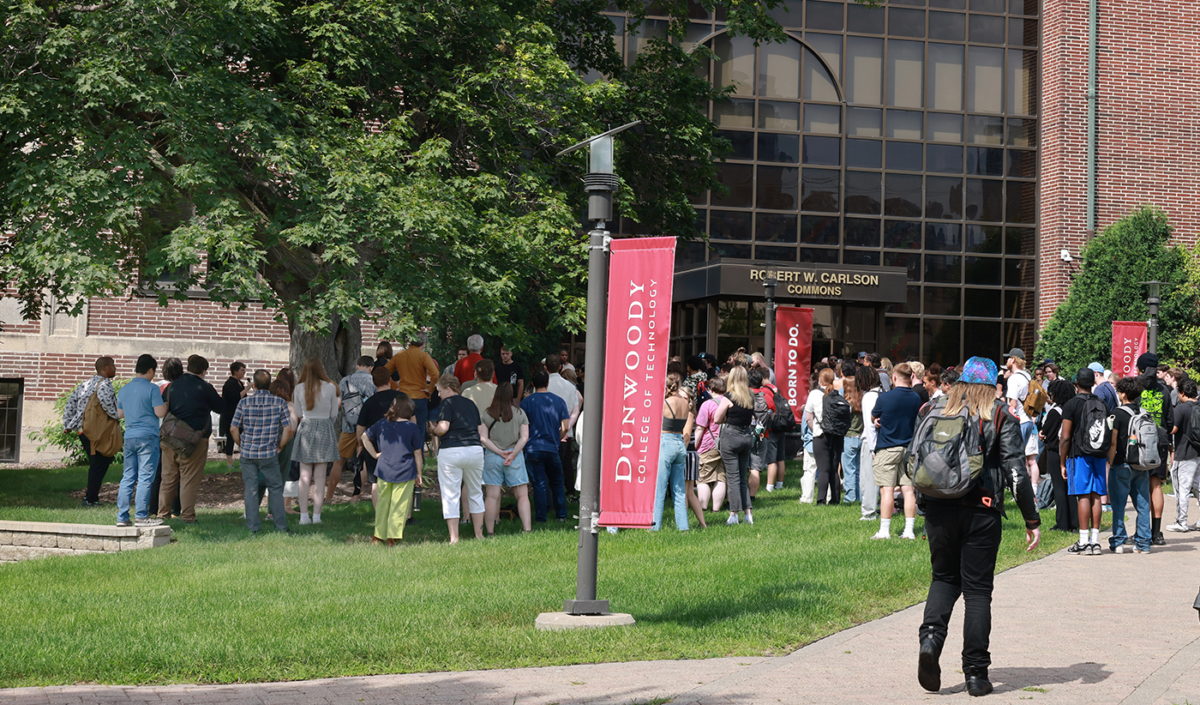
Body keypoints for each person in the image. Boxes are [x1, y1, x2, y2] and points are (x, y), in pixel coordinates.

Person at [915, 357, 1040, 698]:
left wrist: (924, 506)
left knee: (942, 578)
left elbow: (919, 460)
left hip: (938, 508)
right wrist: (1032, 519)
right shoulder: (999, 415)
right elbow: (1016, 471)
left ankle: (930, 639)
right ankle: (975, 673)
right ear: (991, 386)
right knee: (977, 591)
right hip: (981, 510)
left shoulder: (932, 409)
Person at [158, 355, 225, 523]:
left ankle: (162, 514)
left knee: (167, 478)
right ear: (204, 371)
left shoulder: (172, 386)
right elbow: (220, 407)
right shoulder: (205, 387)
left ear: (188, 367)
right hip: (194, 440)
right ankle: (187, 516)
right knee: (189, 479)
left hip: (169, 438)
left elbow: (164, 407)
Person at [230, 369, 293, 534]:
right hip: (269, 453)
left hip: (248, 453)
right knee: (276, 489)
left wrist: (241, 444)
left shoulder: (244, 403)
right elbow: (288, 429)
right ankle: (280, 527)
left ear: (255, 385)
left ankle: (253, 527)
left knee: (250, 489)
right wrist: (280, 445)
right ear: (270, 384)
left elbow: (233, 428)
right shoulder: (279, 403)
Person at [362, 394, 424, 546]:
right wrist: (419, 473)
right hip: (405, 470)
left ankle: (378, 536)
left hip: (384, 469)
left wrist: (375, 454)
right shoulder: (412, 427)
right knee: (399, 504)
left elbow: (364, 437)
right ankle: (393, 537)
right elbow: (417, 453)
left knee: (383, 503)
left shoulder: (383, 423)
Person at [431, 374, 486, 542]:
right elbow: (480, 428)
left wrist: (433, 430)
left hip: (452, 451)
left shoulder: (446, 404)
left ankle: (454, 538)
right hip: (474, 450)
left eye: (439, 391)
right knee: (475, 492)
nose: (438, 395)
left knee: (451, 493)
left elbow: (443, 427)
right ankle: (479, 535)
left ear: (448, 388)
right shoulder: (470, 404)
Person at [871, 362, 923, 540]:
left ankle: (884, 531)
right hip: (909, 448)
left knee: (887, 490)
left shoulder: (885, 397)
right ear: (911, 378)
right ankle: (909, 531)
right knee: (908, 490)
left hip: (887, 447)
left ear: (894, 377)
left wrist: (878, 421)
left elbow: (874, 416)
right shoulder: (916, 398)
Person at [1058, 367, 1107, 555]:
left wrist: (1062, 462)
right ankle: (1095, 542)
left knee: (1083, 495)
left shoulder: (1071, 405)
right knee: (1096, 495)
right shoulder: (1101, 402)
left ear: (1076, 383)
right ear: (1093, 383)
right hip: (1099, 454)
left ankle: (1083, 540)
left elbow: (1065, 437)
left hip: (1080, 454)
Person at [115, 355, 167, 527]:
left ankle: (122, 517)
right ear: (151, 370)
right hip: (148, 437)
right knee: (145, 477)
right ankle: (141, 516)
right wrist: (166, 404)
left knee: (128, 476)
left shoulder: (124, 389)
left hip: (129, 436)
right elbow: (160, 413)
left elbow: (120, 414)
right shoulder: (152, 389)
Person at [62, 356, 120, 507]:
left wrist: (68, 424)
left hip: (83, 430)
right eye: (113, 365)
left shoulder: (86, 384)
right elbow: (106, 402)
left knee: (99, 462)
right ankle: (90, 498)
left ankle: (91, 497)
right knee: (100, 462)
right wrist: (117, 416)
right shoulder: (105, 384)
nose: (115, 368)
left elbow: (70, 403)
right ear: (105, 368)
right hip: (96, 431)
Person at [292, 357, 341, 525]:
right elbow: (334, 413)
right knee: (320, 477)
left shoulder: (299, 388)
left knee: (304, 476)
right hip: (325, 428)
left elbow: (298, 412)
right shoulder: (331, 387)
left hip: (306, 427)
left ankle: (304, 516)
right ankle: (317, 516)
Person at [1106, 377, 1152, 553]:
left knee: (1118, 505)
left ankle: (1118, 541)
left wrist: (1110, 461)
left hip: (1121, 463)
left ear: (1123, 393)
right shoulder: (1144, 412)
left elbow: (1113, 442)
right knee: (1142, 504)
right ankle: (1143, 544)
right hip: (1141, 464)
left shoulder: (1117, 414)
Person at [480, 382, 531, 534]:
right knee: (522, 496)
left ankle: (489, 531)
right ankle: (527, 529)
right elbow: (524, 437)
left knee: (492, 496)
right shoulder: (520, 413)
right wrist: (513, 453)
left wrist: (499, 452)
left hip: (492, 456)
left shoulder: (487, 414)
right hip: (514, 456)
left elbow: (483, 438)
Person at [520, 369, 570, 523]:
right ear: (548, 383)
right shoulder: (559, 401)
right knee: (557, 482)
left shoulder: (527, 402)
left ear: (533, 384)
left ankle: (541, 516)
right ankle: (561, 515)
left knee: (539, 484)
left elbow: (521, 426)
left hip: (533, 448)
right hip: (551, 447)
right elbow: (566, 426)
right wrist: (557, 438)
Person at [1135, 353, 1173, 546]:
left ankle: (1141, 531)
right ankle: (1157, 532)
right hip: (1160, 441)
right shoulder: (1164, 390)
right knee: (1156, 485)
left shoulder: (1135, 387)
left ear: (1140, 369)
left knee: (1140, 485)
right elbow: (1170, 420)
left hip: (1140, 441)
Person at [712, 366, 756, 525]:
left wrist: (727, 419)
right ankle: (748, 514)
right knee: (742, 477)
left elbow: (717, 418)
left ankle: (733, 514)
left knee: (733, 477)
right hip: (746, 437)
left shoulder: (728, 397)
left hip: (731, 437)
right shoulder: (750, 395)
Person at [330, 356, 376, 502]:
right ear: (371, 368)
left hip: (348, 427)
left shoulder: (345, 381)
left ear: (357, 366)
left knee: (339, 461)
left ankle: (329, 496)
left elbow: (338, 405)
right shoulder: (372, 381)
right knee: (363, 462)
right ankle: (356, 496)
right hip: (367, 428)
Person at [652, 373, 695, 532]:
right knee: (679, 490)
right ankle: (683, 527)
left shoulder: (664, 403)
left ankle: (654, 526)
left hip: (665, 442)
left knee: (660, 489)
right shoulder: (685, 403)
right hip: (679, 444)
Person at [355, 367, 403, 508]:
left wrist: (360, 445)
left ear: (374, 383)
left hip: (375, 446)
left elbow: (360, 429)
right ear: (389, 379)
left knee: (375, 482)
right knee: (401, 480)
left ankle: (379, 515)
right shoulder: (401, 398)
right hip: (400, 443)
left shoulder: (369, 402)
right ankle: (404, 515)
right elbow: (413, 420)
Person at [1041, 379, 1079, 532]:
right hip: (1071, 453)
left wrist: (1042, 435)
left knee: (1059, 488)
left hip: (1055, 453)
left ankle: (1062, 523)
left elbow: (1047, 433)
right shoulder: (1072, 410)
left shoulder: (1055, 412)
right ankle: (1074, 522)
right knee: (1070, 488)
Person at [149, 357, 183, 518]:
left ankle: (153, 509)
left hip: (157, 431)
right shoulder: (181, 388)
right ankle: (175, 509)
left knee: (157, 473)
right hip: (176, 434)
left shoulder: (155, 387)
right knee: (177, 472)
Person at [386, 335, 440, 436]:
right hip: (420, 396)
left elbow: (385, 371)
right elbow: (435, 374)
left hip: (403, 396)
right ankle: (418, 451)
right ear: (423, 344)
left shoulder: (400, 355)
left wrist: (394, 387)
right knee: (419, 430)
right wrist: (430, 389)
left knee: (402, 430)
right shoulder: (423, 356)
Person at [1003, 348, 1040, 494]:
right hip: (1029, 421)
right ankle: (1029, 492)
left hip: (1019, 421)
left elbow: (1012, 405)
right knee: (1026, 458)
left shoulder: (1014, 378)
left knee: (1017, 459)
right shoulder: (1026, 376)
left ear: (1013, 360)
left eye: (1008, 358)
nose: (1006, 361)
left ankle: (1023, 492)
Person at [805, 368, 843, 505]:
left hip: (820, 434)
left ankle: (821, 500)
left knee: (823, 469)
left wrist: (815, 428)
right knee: (834, 468)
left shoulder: (814, 394)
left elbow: (809, 418)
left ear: (820, 380)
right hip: (837, 435)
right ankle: (836, 499)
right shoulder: (838, 393)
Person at [1167, 378, 1200, 534]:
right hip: (1198, 453)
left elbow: (1173, 429)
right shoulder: (1198, 406)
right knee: (1198, 488)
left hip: (1184, 453)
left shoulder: (1181, 408)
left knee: (1182, 489)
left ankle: (1181, 521)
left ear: (1183, 393)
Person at [545, 355, 581, 500]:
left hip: (546, 432)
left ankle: (549, 499)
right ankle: (561, 498)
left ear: (545, 367)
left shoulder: (542, 386)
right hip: (564, 432)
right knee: (561, 466)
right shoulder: (570, 386)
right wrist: (566, 428)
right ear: (560, 367)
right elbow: (576, 409)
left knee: (547, 468)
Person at [694, 377, 727, 513]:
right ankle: (716, 509)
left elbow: (700, 428)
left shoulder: (707, 404)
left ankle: (703, 507)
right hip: (726, 445)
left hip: (708, 445)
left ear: (711, 390)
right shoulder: (729, 402)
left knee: (703, 478)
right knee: (720, 477)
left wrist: (694, 445)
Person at [269, 378, 299, 515]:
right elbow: (292, 428)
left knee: (269, 474)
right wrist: (282, 444)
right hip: (286, 443)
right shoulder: (289, 405)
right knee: (285, 474)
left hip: (268, 442)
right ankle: (284, 507)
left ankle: (270, 509)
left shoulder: (268, 404)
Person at [856, 366, 882, 522]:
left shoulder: (868, 397)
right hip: (884, 441)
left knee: (868, 479)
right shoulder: (883, 394)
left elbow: (869, 425)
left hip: (871, 442)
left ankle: (868, 512)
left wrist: (872, 447)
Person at [748, 368, 776, 500]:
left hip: (743, 435)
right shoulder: (767, 397)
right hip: (761, 436)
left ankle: (738, 496)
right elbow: (772, 417)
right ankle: (752, 497)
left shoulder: (743, 395)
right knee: (755, 468)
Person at [220, 362, 248, 466]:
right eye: (242, 370)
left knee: (243, 437)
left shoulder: (239, 383)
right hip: (230, 415)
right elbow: (236, 398)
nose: (244, 372)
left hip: (241, 415)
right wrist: (246, 389)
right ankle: (229, 462)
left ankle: (243, 460)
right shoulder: (230, 383)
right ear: (235, 371)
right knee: (230, 439)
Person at [842, 367, 863, 504]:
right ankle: (860, 496)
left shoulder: (846, 403)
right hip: (861, 437)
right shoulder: (862, 402)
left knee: (849, 469)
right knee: (859, 471)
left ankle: (850, 497)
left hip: (848, 438)